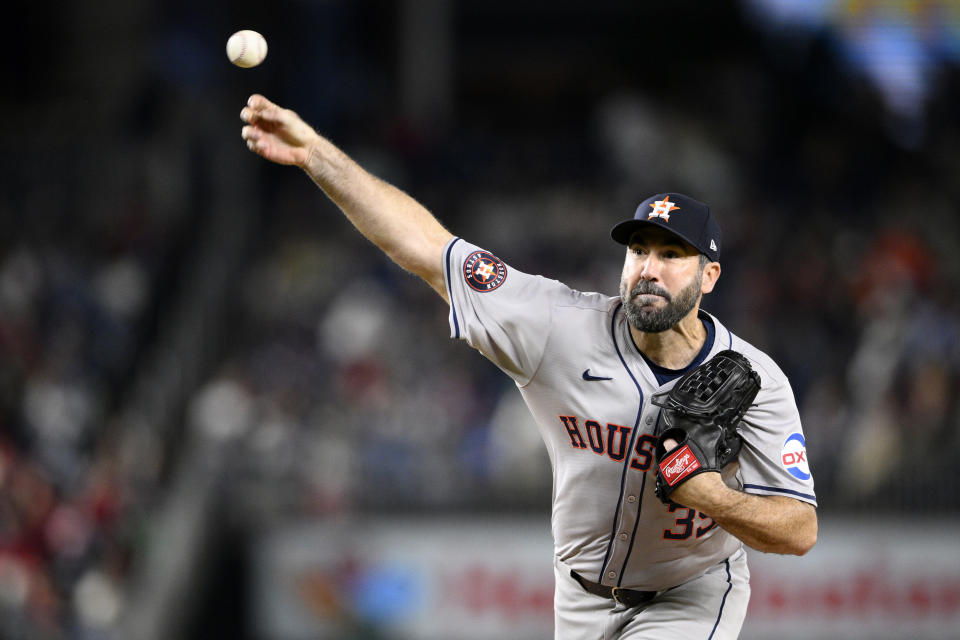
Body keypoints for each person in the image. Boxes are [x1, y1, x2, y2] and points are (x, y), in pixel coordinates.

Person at [239, 94, 817, 640]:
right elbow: (425, 247)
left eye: (671, 255)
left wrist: (711, 497)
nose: (649, 268)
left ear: (708, 277)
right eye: (639, 250)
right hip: (580, 596)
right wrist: (315, 153)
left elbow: (799, 530)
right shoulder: (557, 328)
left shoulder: (754, 379)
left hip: (691, 591)